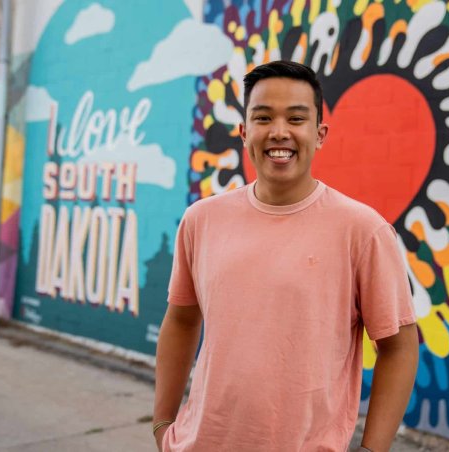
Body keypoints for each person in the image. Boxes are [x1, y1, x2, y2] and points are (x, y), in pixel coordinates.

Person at [153, 60, 418, 452]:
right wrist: (163, 424)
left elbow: (399, 347)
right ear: (244, 132)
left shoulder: (363, 231)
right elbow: (180, 320)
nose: (279, 132)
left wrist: (372, 448)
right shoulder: (201, 220)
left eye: (296, 118)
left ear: (320, 133)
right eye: (263, 118)